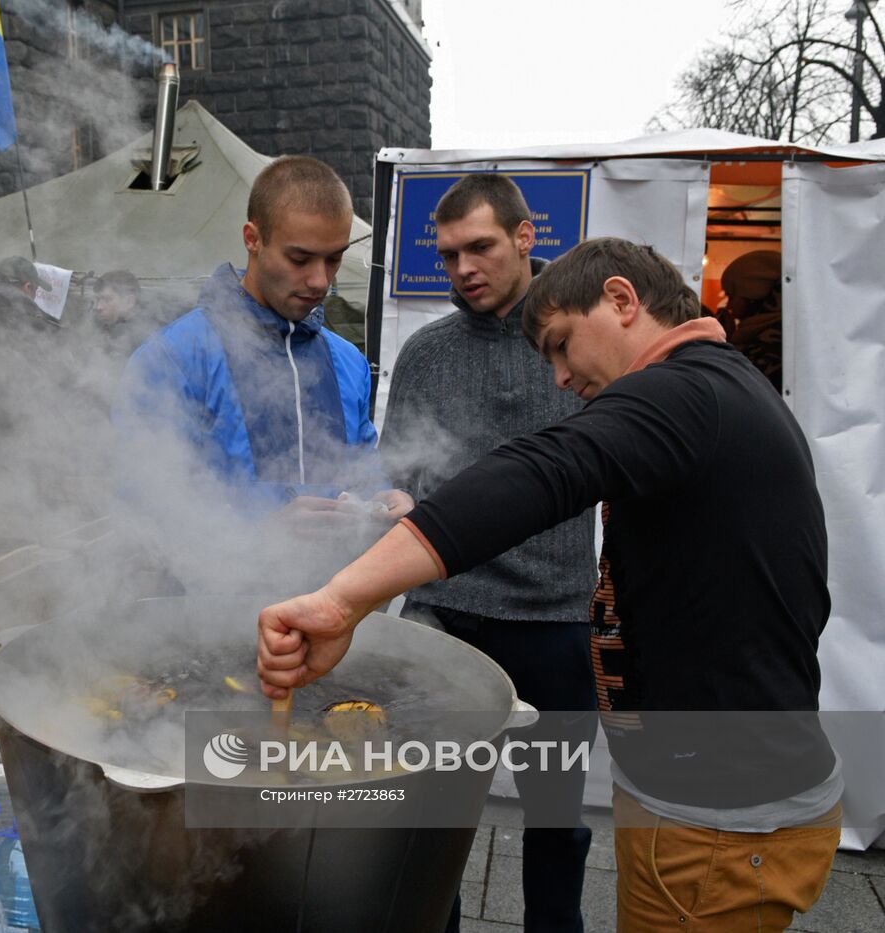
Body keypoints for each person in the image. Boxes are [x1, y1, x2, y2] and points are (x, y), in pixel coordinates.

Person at [257, 238, 841, 933]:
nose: (560, 378)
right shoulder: (722, 389)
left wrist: (340, 598)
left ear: (623, 301)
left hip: (717, 819)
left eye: (563, 345)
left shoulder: (686, 391)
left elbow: (543, 470)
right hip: (714, 796)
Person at [380, 174, 597, 932]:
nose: (463, 267)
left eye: (480, 246)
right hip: (443, 617)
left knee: (558, 820)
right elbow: (396, 479)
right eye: (447, 255)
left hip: (556, 620)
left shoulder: (580, 344)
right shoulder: (426, 353)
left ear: (525, 237)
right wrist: (379, 507)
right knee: (427, 817)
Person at [113, 155, 409, 524]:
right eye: (300, 259)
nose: (321, 281)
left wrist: (381, 497)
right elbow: (142, 495)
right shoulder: (172, 358)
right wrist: (264, 521)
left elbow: (362, 471)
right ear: (252, 239)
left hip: (340, 581)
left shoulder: (348, 360)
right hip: (216, 582)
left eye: (334, 259)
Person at [722, 249, 783, 391]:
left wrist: (724, 343)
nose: (728, 305)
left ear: (751, 295)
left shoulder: (772, 339)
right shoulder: (764, 330)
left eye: (732, 296)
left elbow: (736, 385)